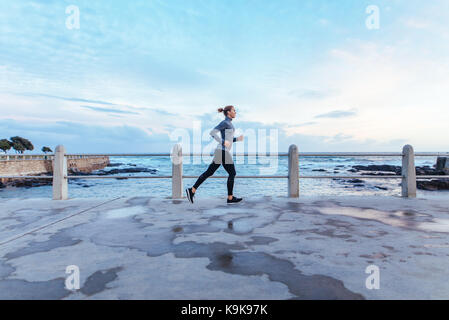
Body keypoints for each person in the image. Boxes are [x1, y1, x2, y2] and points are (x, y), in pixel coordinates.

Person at [186, 105, 244, 204]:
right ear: (228, 112)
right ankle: (230, 198)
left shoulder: (228, 123)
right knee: (232, 173)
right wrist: (222, 141)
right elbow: (212, 132)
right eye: (234, 110)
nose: (235, 112)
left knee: (210, 172)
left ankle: (192, 190)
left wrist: (237, 139)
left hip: (221, 151)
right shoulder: (225, 122)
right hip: (222, 151)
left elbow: (228, 140)